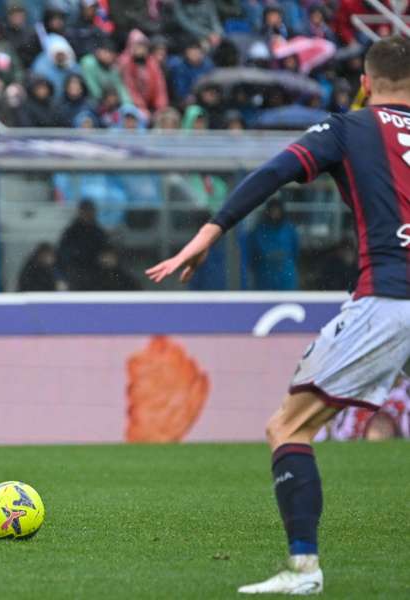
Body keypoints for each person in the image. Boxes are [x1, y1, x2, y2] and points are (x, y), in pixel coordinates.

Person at [146, 37, 410, 594]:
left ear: (367, 79)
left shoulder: (351, 127)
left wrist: (208, 232)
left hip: (391, 297)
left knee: (287, 426)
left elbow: (273, 173)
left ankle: (303, 568)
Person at [244, 199, 300, 290]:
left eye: (277, 210)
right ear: (268, 212)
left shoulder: (289, 229)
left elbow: (295, 252)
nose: (275, 214)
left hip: (285, 276)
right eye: (273, 210)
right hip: (264, 276)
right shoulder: (259, 230)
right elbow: (252, 255)